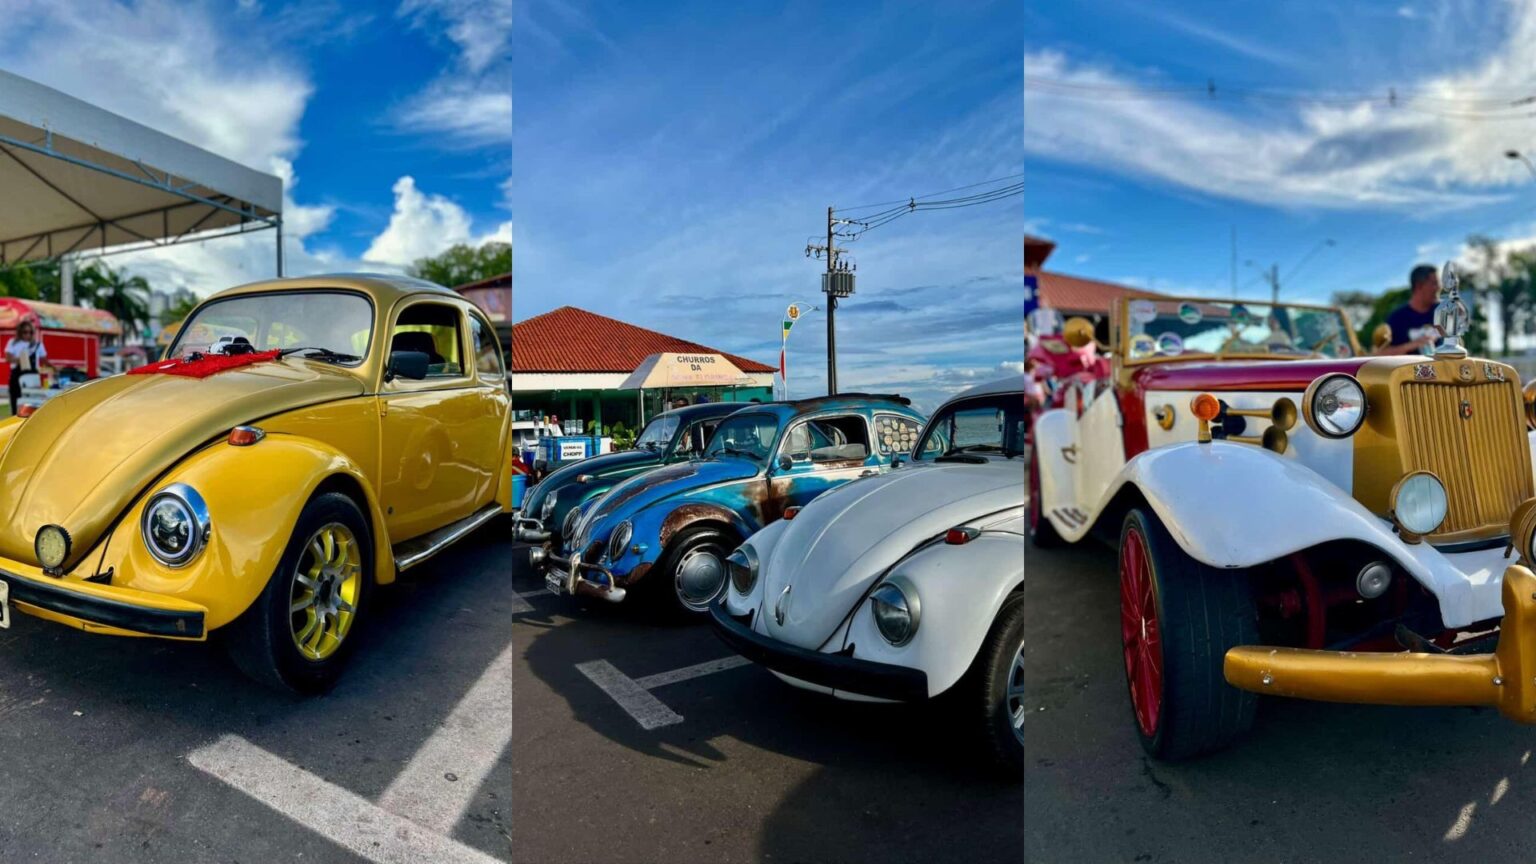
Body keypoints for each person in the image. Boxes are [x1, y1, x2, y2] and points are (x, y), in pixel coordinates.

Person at [1378, 264, 1442, 355]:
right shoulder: (1396, 318)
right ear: (1419, 286)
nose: (1439, 287)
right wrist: (1413, 345)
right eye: (1435, 283)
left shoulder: (1443, 312)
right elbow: (1380, 353)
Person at [6, 319, 48, 416]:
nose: (28, 335)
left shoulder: (38, 345)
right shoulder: (13, 343)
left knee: (33, 402)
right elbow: (8, 357)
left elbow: (44, 360)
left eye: (30, 332)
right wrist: (21, 360)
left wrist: (55, 369)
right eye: (25, 332)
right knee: (15, 401)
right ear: (20, 332)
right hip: (17, 376)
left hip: (33, 376)